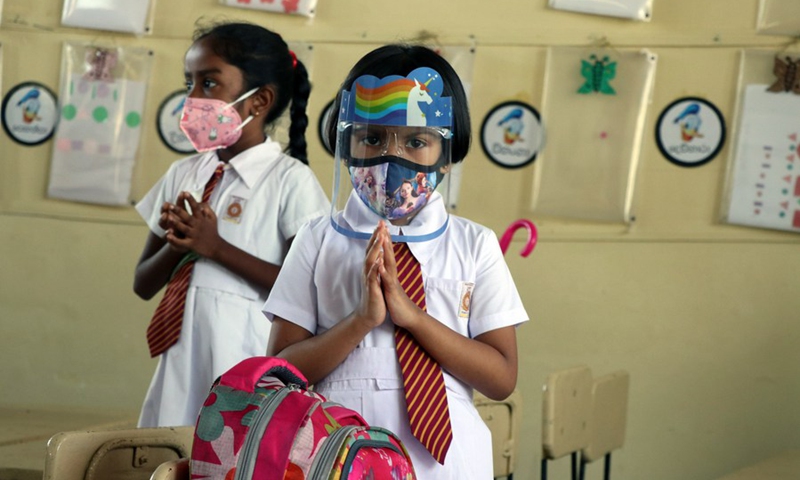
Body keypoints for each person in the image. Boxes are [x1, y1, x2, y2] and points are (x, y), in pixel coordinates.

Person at [263, 44, 528, 478]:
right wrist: (362, 320)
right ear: (345, 145)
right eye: (371, 138)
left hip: (448, 462)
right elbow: (282, 372)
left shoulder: (475, 244)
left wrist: (412, 318)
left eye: (417, 141)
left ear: (447, 154)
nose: (393, 158)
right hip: (336, 454)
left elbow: (500, 379)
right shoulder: (317, 239)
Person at [133, 21, 330, 428]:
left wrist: (216, 247)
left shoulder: (290, 180)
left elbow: (310, 295)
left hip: (247, 371)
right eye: (190, 82)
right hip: (179, 365)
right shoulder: (183, 173)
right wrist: (180, 244)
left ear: (258, 101)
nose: (192, 97)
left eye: (209, 84)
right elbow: (143, 283)